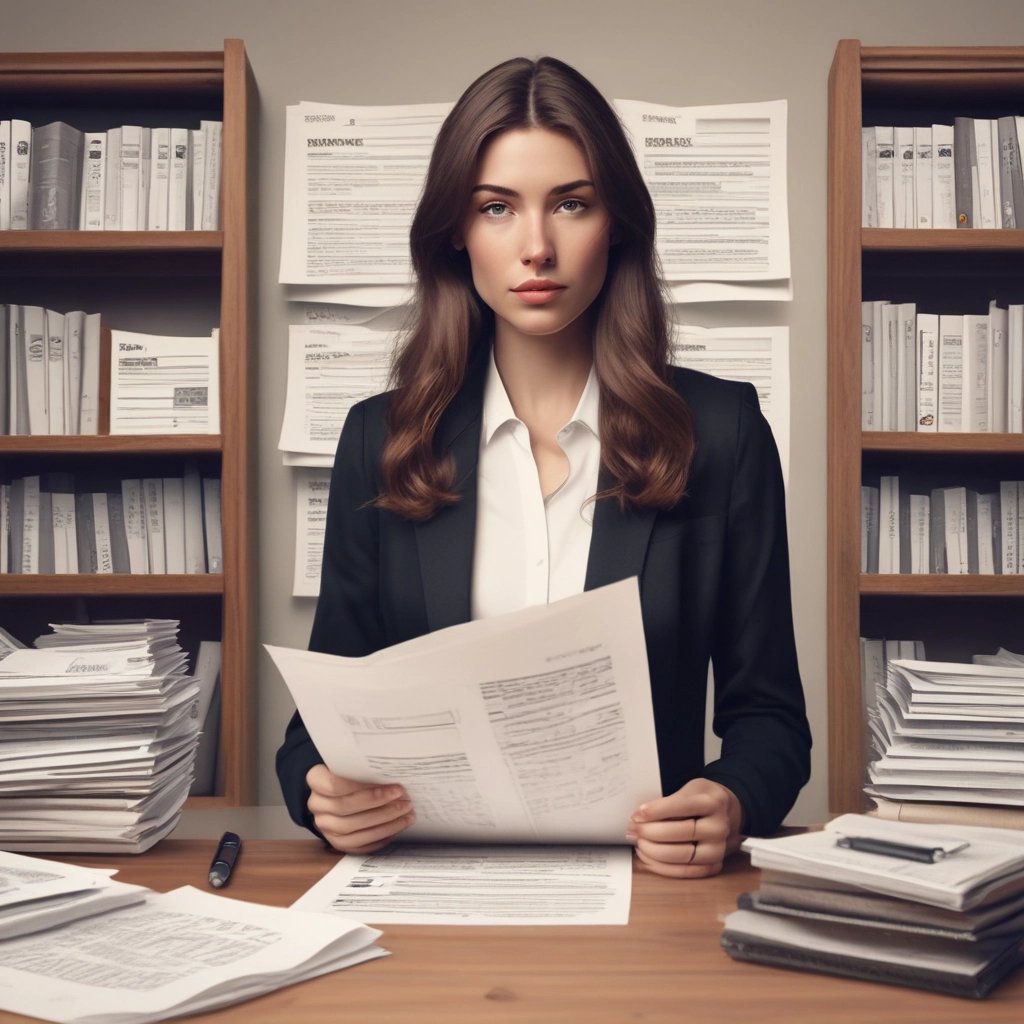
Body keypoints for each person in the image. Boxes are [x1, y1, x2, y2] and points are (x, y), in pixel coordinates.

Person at [276, 56, 811, 879]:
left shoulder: (723, 431)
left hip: (651, 891)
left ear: (618, 221)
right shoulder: (379, 440)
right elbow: (318, 728)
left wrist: (733, 798)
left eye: (571, 203)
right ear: (456, 230)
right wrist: (320, 793)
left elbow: (771, 719)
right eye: (497, 208)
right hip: (428, 887)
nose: (537, 246)